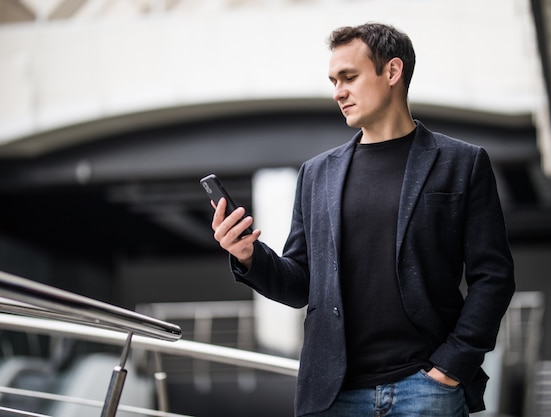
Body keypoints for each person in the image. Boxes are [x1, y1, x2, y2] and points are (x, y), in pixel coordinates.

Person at [212, 22, 515, 417]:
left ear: (392, 72)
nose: (338, 92)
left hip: (425, 390)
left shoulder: (462, 163)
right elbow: (301, 284)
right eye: (333, 80)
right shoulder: (316, 173)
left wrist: (451, 367)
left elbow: (493, 276)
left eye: (349, 77)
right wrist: (249, 256)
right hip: (334, 395)